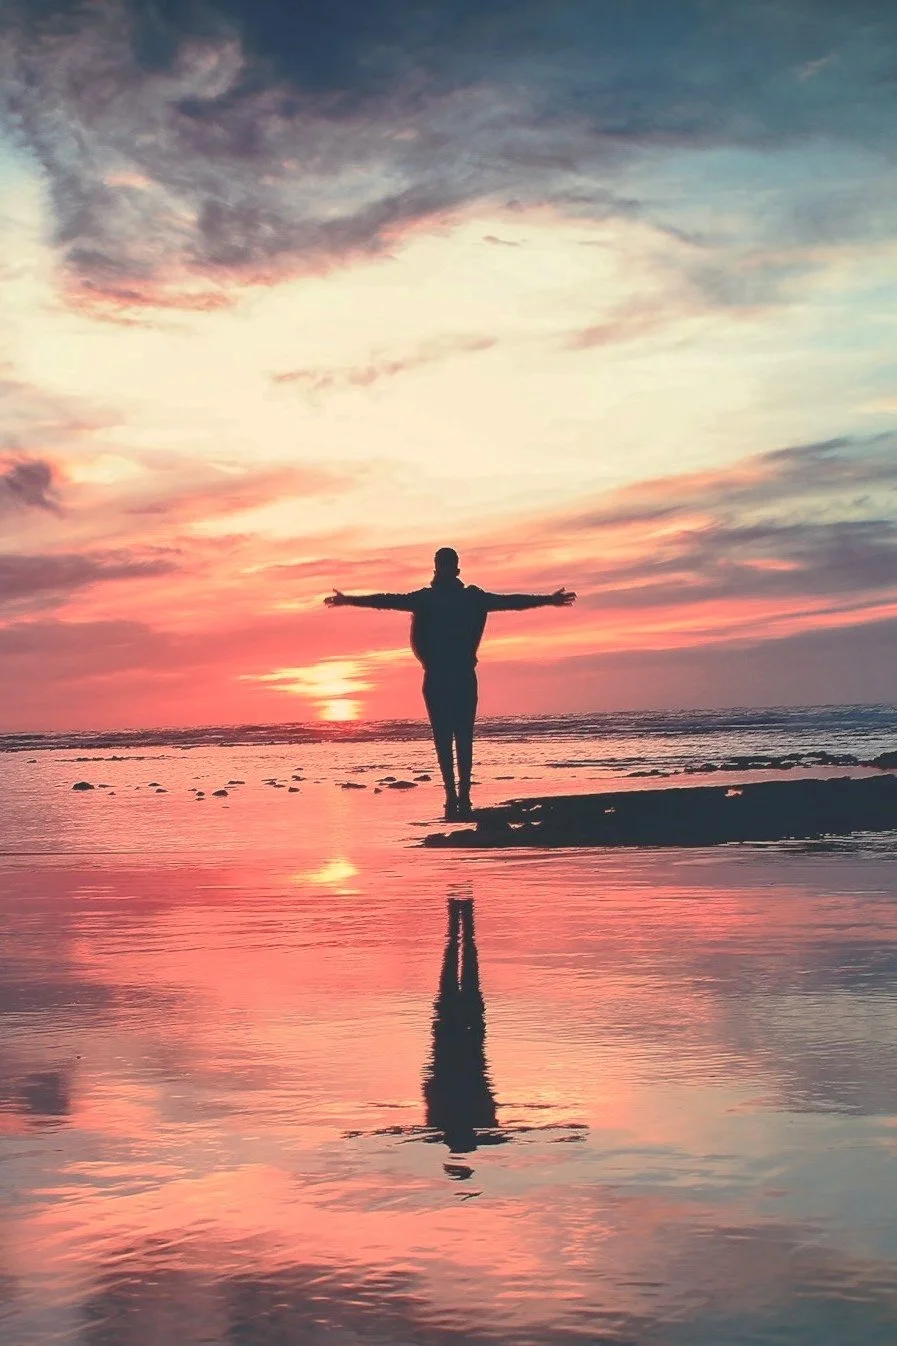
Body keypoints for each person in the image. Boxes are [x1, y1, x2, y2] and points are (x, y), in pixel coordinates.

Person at [324, 547, 576, 819]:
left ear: (452, 569)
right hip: (437, 676)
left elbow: (510, 602)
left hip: (461, 675)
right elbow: (387, 600)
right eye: (442, 565)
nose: (444, 570)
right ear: (441, 569)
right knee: (444, 738)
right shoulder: (428, 599)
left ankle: (463, 794)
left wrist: (548, 600)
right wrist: (349, 600)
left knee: (462, 736)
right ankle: (452, 795)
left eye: (447, 565)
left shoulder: (470, 598)